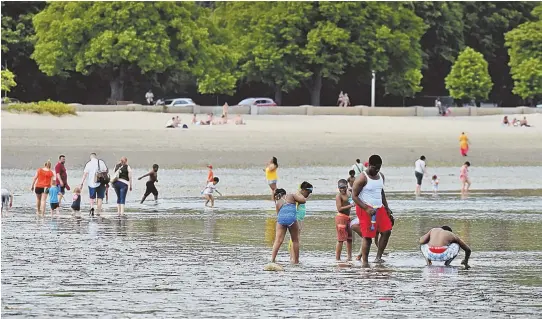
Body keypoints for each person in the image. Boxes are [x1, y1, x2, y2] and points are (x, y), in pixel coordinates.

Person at [352, 155, 394, 268]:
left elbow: (381, 192)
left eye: (379, 168)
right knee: (368, 237)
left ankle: (378, 257)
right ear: (369, 165)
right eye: (375, 168)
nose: (377, 170)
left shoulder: (381, 176)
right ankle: (365, 262)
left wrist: (386, 207)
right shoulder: (362, 178)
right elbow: (354, 196)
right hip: (365, 209)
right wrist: (366, 208)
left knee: (387, 231)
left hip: (379, 208)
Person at [270, 182, 313, 265]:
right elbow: (303, 201)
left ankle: (272, 259)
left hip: (281, 220)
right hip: (291, 219)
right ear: (284, 193)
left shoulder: (278, 202)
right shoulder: (291, 195)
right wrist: (299, 195)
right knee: (295, 240)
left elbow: (278, 214)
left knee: (278, 240)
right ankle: (296, 261)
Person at [336, 179, 354, 261]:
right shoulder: (338, 196)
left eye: (344, 187)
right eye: (340, 188)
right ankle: (337, 258)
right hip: (341, 218)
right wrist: (351, 206)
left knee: (349, 238)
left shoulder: (349, 193)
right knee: (341, 240)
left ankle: (349, 257)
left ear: (347, 186)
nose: (342, 189)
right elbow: (339, 208)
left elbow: (354, 193)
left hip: (348, 217)